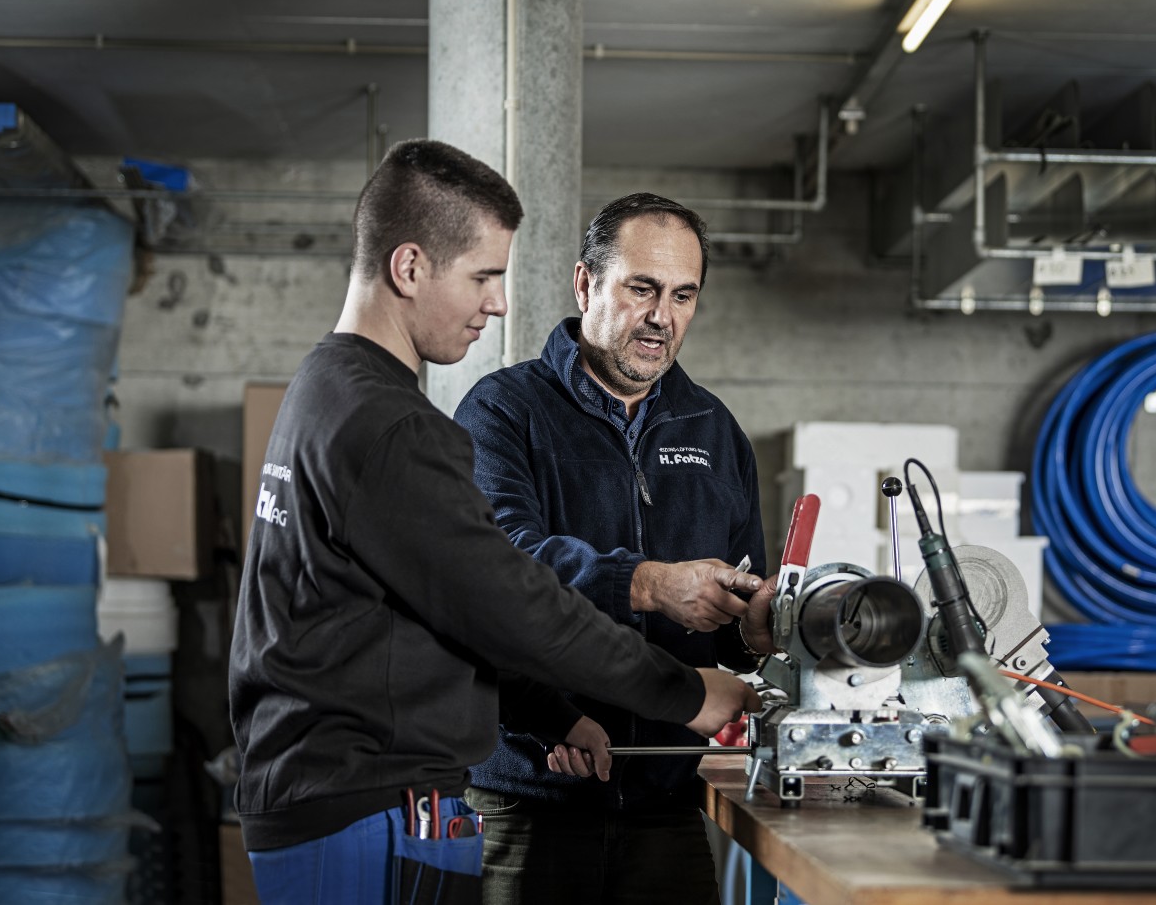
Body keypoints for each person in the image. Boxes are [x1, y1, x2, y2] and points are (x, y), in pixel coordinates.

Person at [228, 145, 762, 905]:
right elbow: (510, 601)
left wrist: (558, 707)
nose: (500, 302)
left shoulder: (328, 386)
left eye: (683, 294)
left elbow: (448, 601)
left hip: (346, 792)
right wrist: (679, 689)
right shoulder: (401, 425)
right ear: (409, 267)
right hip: (371, 799)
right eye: (483, 276)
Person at [454, 192, 776, 904]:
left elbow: (739, 638)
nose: (663, 316)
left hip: (669, 804)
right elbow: (495, 578)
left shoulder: (716, 431)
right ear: (585, 284)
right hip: (531, 798)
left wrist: (755, 636)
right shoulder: (505, 412)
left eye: (683, 295)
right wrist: (542, 717)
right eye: (642, 288)